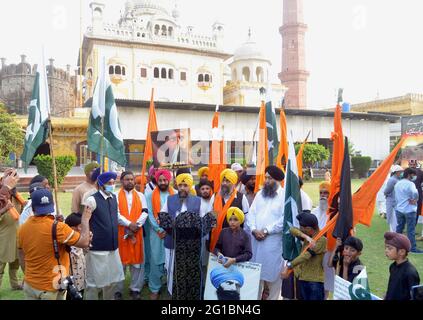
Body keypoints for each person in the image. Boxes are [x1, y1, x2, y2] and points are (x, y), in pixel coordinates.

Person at [18, 189, 91, 300]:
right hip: (52, 287)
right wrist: (85, 220)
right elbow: (85, 242)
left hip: (30, 284)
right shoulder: (59, 228)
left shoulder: (22, 228)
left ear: (32, 208)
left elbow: (21, 256)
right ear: (52, 205)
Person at [159, 173, 216, 300]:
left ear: (190, 186)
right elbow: (163, 216)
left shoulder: (198, 201)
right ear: (177, 186)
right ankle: (174, 294)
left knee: (191, 271)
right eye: (180, 185)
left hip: (192, 246)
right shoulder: (170, 199)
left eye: (185, 185)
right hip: (173, 242)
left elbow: (204, 221)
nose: (182, 188)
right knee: (171, 269)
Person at [84, 172, 125, 300]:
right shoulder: (92, 200)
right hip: (97, 248)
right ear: (101, 185)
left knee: (112, 281)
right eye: (109, 183)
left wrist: (129, 224)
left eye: (113, 183)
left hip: (113, 247)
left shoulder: (114, 197)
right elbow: (85, 220)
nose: (112, 186)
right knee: (93, 283)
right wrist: (86, 239)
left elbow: (116, 216)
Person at [247, 165, 285, 300]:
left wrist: (266, 230)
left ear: (278, 180)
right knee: (255, 278)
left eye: (270, 178)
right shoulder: (259, 194)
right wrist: (253, 229)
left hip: (272, 244)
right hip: (256, 242)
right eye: (266, 177)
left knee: (273, 278)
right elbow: (251, 214)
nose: (266, 181)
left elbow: (284, 220)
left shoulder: (284, 196)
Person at [115, 171, 149, 300]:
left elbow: (145, 212)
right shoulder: (115, 196)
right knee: (119, 264)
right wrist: (129, 224)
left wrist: (136, 225)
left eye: (131, 179)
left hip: (137, 233)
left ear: (134, 181)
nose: (129, 181)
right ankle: (118, 290)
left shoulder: (140, 195)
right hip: (121, 233)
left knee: (137, 264)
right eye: (126, 179)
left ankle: (135, 289)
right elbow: (116, 213)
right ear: (122, 181)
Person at [281, 212, 327, 301]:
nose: (301, 229)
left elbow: (305, 256)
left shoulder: (321, 240)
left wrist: (289, 265)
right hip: (303, 278)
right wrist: (305, 236)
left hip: (314, 282)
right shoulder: (309, 237)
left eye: (303, 228)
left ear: (309, 228)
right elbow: (292, 229)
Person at [145, 169, 174, 300]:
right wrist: (159, 229)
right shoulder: (150, 196)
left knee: (172, 260)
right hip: (156, 234)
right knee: (156, 260)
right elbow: (150, 214)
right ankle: (154, 288)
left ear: (169, 180)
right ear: (156, 180)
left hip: (172, 233)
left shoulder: (176, 194)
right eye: (160, 180)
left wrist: (168, 230)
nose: (162, 182)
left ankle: (171, 286)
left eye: (165, 180)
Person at [311, 181, 334, 299]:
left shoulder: (335, 214)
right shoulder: (313, 212)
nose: (323, 195)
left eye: (326, 193)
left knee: (326, 285)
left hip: (328, 253)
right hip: (314, 253)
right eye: (321, 193)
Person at [0, 169, 22, 291]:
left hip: (16, 236)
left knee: (15, 262)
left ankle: (15, 284)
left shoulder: (16, 196)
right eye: (10, 179)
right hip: (3, 238)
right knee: (0, 264)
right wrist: (4, 209)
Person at [394, 168, 423, 254]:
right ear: (409, 174)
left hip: (399, 209)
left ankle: (396, 245)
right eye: (413, 175)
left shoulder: (398, 183)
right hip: (409, 210)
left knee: (399, 228)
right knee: (411, 230)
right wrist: (415, 199)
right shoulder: (411, 184)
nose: (414, 176)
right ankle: (412, 248)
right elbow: (415, 193)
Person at [384, 232, 420, 300]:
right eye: (386, 248)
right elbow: (392, 287)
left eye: (390, 248)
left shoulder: (410, 272)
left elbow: (415, 296)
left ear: (402, 252)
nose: (386, 251)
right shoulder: (392, 266)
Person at [64, 213, 87, 299]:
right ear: (72, 228)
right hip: (69, 284)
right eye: (81, 227)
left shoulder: (81, 242)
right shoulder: (65, 244)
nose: (83, 229)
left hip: (81, 282)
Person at [384, 165, 403, 232]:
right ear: (396, 172)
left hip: (396, 201)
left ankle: (394, 231)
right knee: (392, 217)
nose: (402, 173)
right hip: (392, 201)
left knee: (395, 218)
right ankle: (393, 231)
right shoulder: (392, 180)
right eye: (401, 172)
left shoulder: (397, 179)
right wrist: (386, 194)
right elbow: (387, 190)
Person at [408, 159, 423, 225]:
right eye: (411, 164)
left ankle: (413, 225)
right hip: (408, 194)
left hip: (417, 193)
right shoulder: (406, 172)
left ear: (416, 165)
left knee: (416, 209)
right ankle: (410, 225)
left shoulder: (420, 172)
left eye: (413, 164)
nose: (412, 166)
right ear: (408, 165)